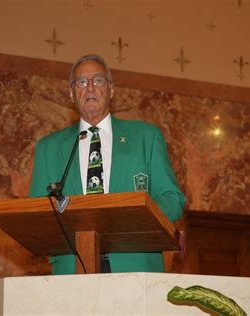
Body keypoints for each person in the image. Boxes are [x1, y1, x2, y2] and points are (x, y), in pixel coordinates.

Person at [30, 54, 186, 274]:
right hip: (71, 269)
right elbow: (37, 213)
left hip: (136, 266)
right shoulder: (49, 148)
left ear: (111, 90)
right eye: (82, 82)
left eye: (99, 80)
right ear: (72, 94)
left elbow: (172, 198)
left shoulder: (146, 137)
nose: (90, 87)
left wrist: (134, 218)